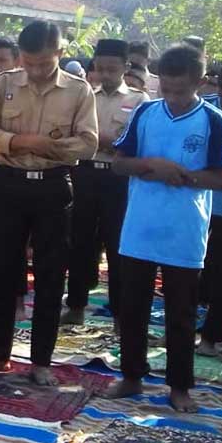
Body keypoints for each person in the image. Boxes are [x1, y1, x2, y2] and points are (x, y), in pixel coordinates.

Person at [103, 44, 222, 412]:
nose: (172, 98)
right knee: (132, 308)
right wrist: (151, 164)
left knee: (181, 312)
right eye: (166, 90)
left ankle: (179, 385)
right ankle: (131, 376)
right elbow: (119, 164)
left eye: (180, 91)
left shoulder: (214, 121)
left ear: (200, 82)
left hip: (184, 232)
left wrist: (186, 177)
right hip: (139, 229)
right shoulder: (145, 112)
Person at [0, 21, 98, 386]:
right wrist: (18, 141)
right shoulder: (4, 83)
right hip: (10, 185)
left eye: (44, 63)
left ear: (59, 53)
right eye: (29, 62)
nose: (36, 71)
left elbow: (87, 143)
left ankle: (41, 361)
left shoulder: (78, 91)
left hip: (53, 188)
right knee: (0, 272)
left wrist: (51, 148)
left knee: (50, 274)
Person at [63, 39, 148, 325]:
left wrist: (104, 142)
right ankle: (75, 305)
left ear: (125, 67)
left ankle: (120, 312)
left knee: (117, 243)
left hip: (118, 178)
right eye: (101, 68)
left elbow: (136, 142)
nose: (106, 74)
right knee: (80, 241)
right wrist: (101, 142)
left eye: (112, 68)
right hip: (85, 173)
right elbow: (74, 134)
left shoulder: (139, 100)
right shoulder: (86, 95)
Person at [197, 63, 222, 356]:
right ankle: (207, 337)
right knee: (213, 274)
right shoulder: (205, 112)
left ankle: (212, 335)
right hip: (207, 206)